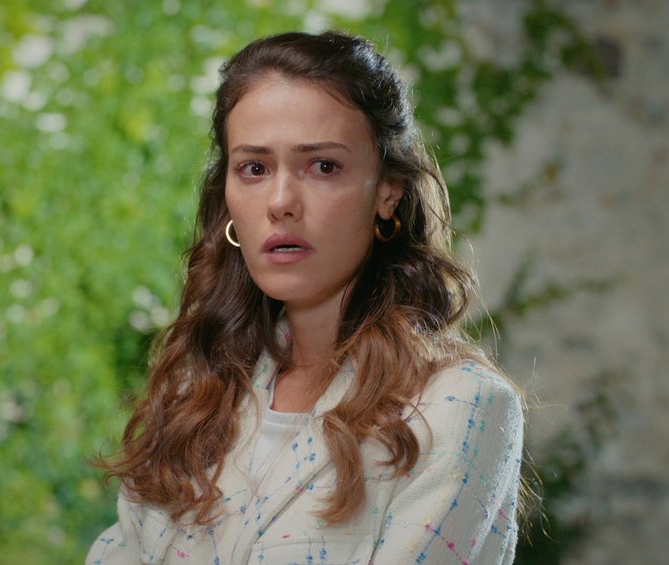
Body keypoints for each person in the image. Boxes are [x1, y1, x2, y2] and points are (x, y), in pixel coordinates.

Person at [87, 30, 524, 564]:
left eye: (323, 166)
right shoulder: (191, 395)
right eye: (254, 168)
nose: (280, 202)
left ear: (388, 191)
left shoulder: (460, 406)